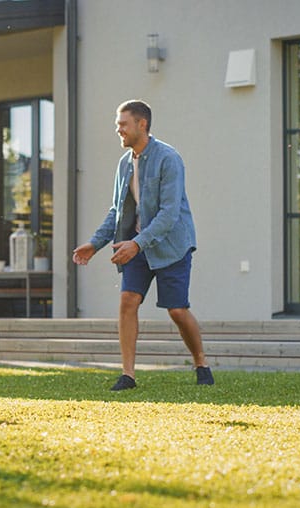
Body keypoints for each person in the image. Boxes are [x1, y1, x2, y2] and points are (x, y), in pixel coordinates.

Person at [72, 99, 213, 391]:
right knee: (127, 301)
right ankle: (128, 375)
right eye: (117, 125)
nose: (118, 130)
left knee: (176, 310)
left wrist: (137, 244)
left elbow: (169, 213)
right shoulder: (124, 164)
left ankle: (201, 362)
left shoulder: (168, 159)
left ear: (142, 124)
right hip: (135, 245)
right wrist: (94, 244)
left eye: (123, 124)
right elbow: (117, 211)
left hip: (171, 244)